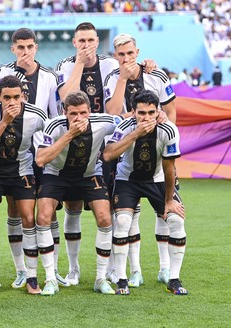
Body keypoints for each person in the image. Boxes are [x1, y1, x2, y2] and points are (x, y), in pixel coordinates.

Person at [55, 22, 155, 285]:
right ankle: (73, 268)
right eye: (81, 41)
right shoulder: (65, 65)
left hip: (109, 141)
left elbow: (120, 100)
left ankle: (113, 267)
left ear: (97, 41)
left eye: (90, 40)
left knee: (110, 207)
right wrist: (79, 64)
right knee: (73, 206)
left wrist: (147, 66)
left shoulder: (111, 65)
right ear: (75, 43)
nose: (86, 45)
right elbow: (67, 97)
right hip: (76, 140)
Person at [0, 27, 65, 288]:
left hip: (40, 151)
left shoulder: (49, 76)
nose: (25, 52)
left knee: (48, 210)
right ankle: (21, 269)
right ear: (13, 48)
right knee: (16, 209)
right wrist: (19, 73)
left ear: (36, 47)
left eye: (29, 47)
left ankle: (52, 268)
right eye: (20, 47)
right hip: (12, 151)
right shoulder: (2, 73)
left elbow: (55, 113)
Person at [104, 33, 176, 287]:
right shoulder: (112, 78)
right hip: (125, 151)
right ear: (115, 56)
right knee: (127, 215)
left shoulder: (157, 75)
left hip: (156, 151)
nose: (126, 58)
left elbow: (170, 108)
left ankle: (166, 269)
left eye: (130, 53)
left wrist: (169, 135)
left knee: (165, 212)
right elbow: (112, 114)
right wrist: (123, 79)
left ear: (138, 52)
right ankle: (134, 271)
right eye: (121, 54)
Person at [103, 90, 187, 296]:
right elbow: (108, 154)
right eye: (141, 113)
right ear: (133, 112)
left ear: (158, 111)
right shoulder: (124, 127)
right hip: (127, 180)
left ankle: (173, 279)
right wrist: (135, 134)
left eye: (151, 112)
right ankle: (122, 279)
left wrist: (169, 200)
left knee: (176, 221)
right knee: (122, 222)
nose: (146, 118)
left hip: (157, 179)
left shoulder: (168, 130)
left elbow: (169, 167)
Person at [35, 91, 117, 295]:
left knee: (105, 218)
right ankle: (51, 279)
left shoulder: (103, 122)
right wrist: (70, 134)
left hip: (89, 174)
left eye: (83, 113)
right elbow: (40, 159)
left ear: (90, 111)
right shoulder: (54, 125)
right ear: (65, 113)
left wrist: (158, 115)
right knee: (43, 216)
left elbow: (126, 122)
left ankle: (100, 278)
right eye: (73, 114)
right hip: (56, 174)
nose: (79, 118)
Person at [0, 75, 47, 296]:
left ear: (23, 96)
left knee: (28, 218)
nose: (12, 102)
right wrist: (4, 121)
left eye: (16, 97)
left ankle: (31, 276)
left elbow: (54, 131)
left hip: (21, 171)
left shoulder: (36, 115)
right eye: (7, 97)